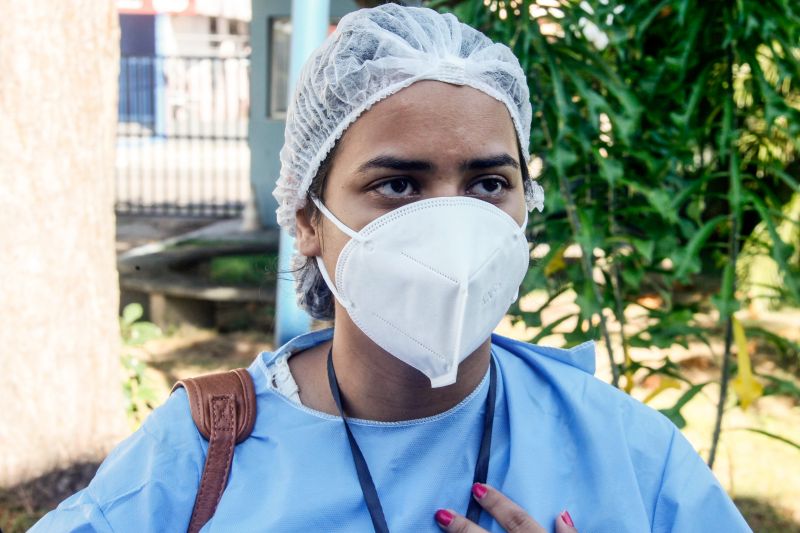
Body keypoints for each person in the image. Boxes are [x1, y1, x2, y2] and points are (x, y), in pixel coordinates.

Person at [33, 4, 751, 532]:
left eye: (488, 183)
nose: (453, 222)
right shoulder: (198, 456)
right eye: (399, 185)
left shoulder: (628, 453)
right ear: (309, 218)